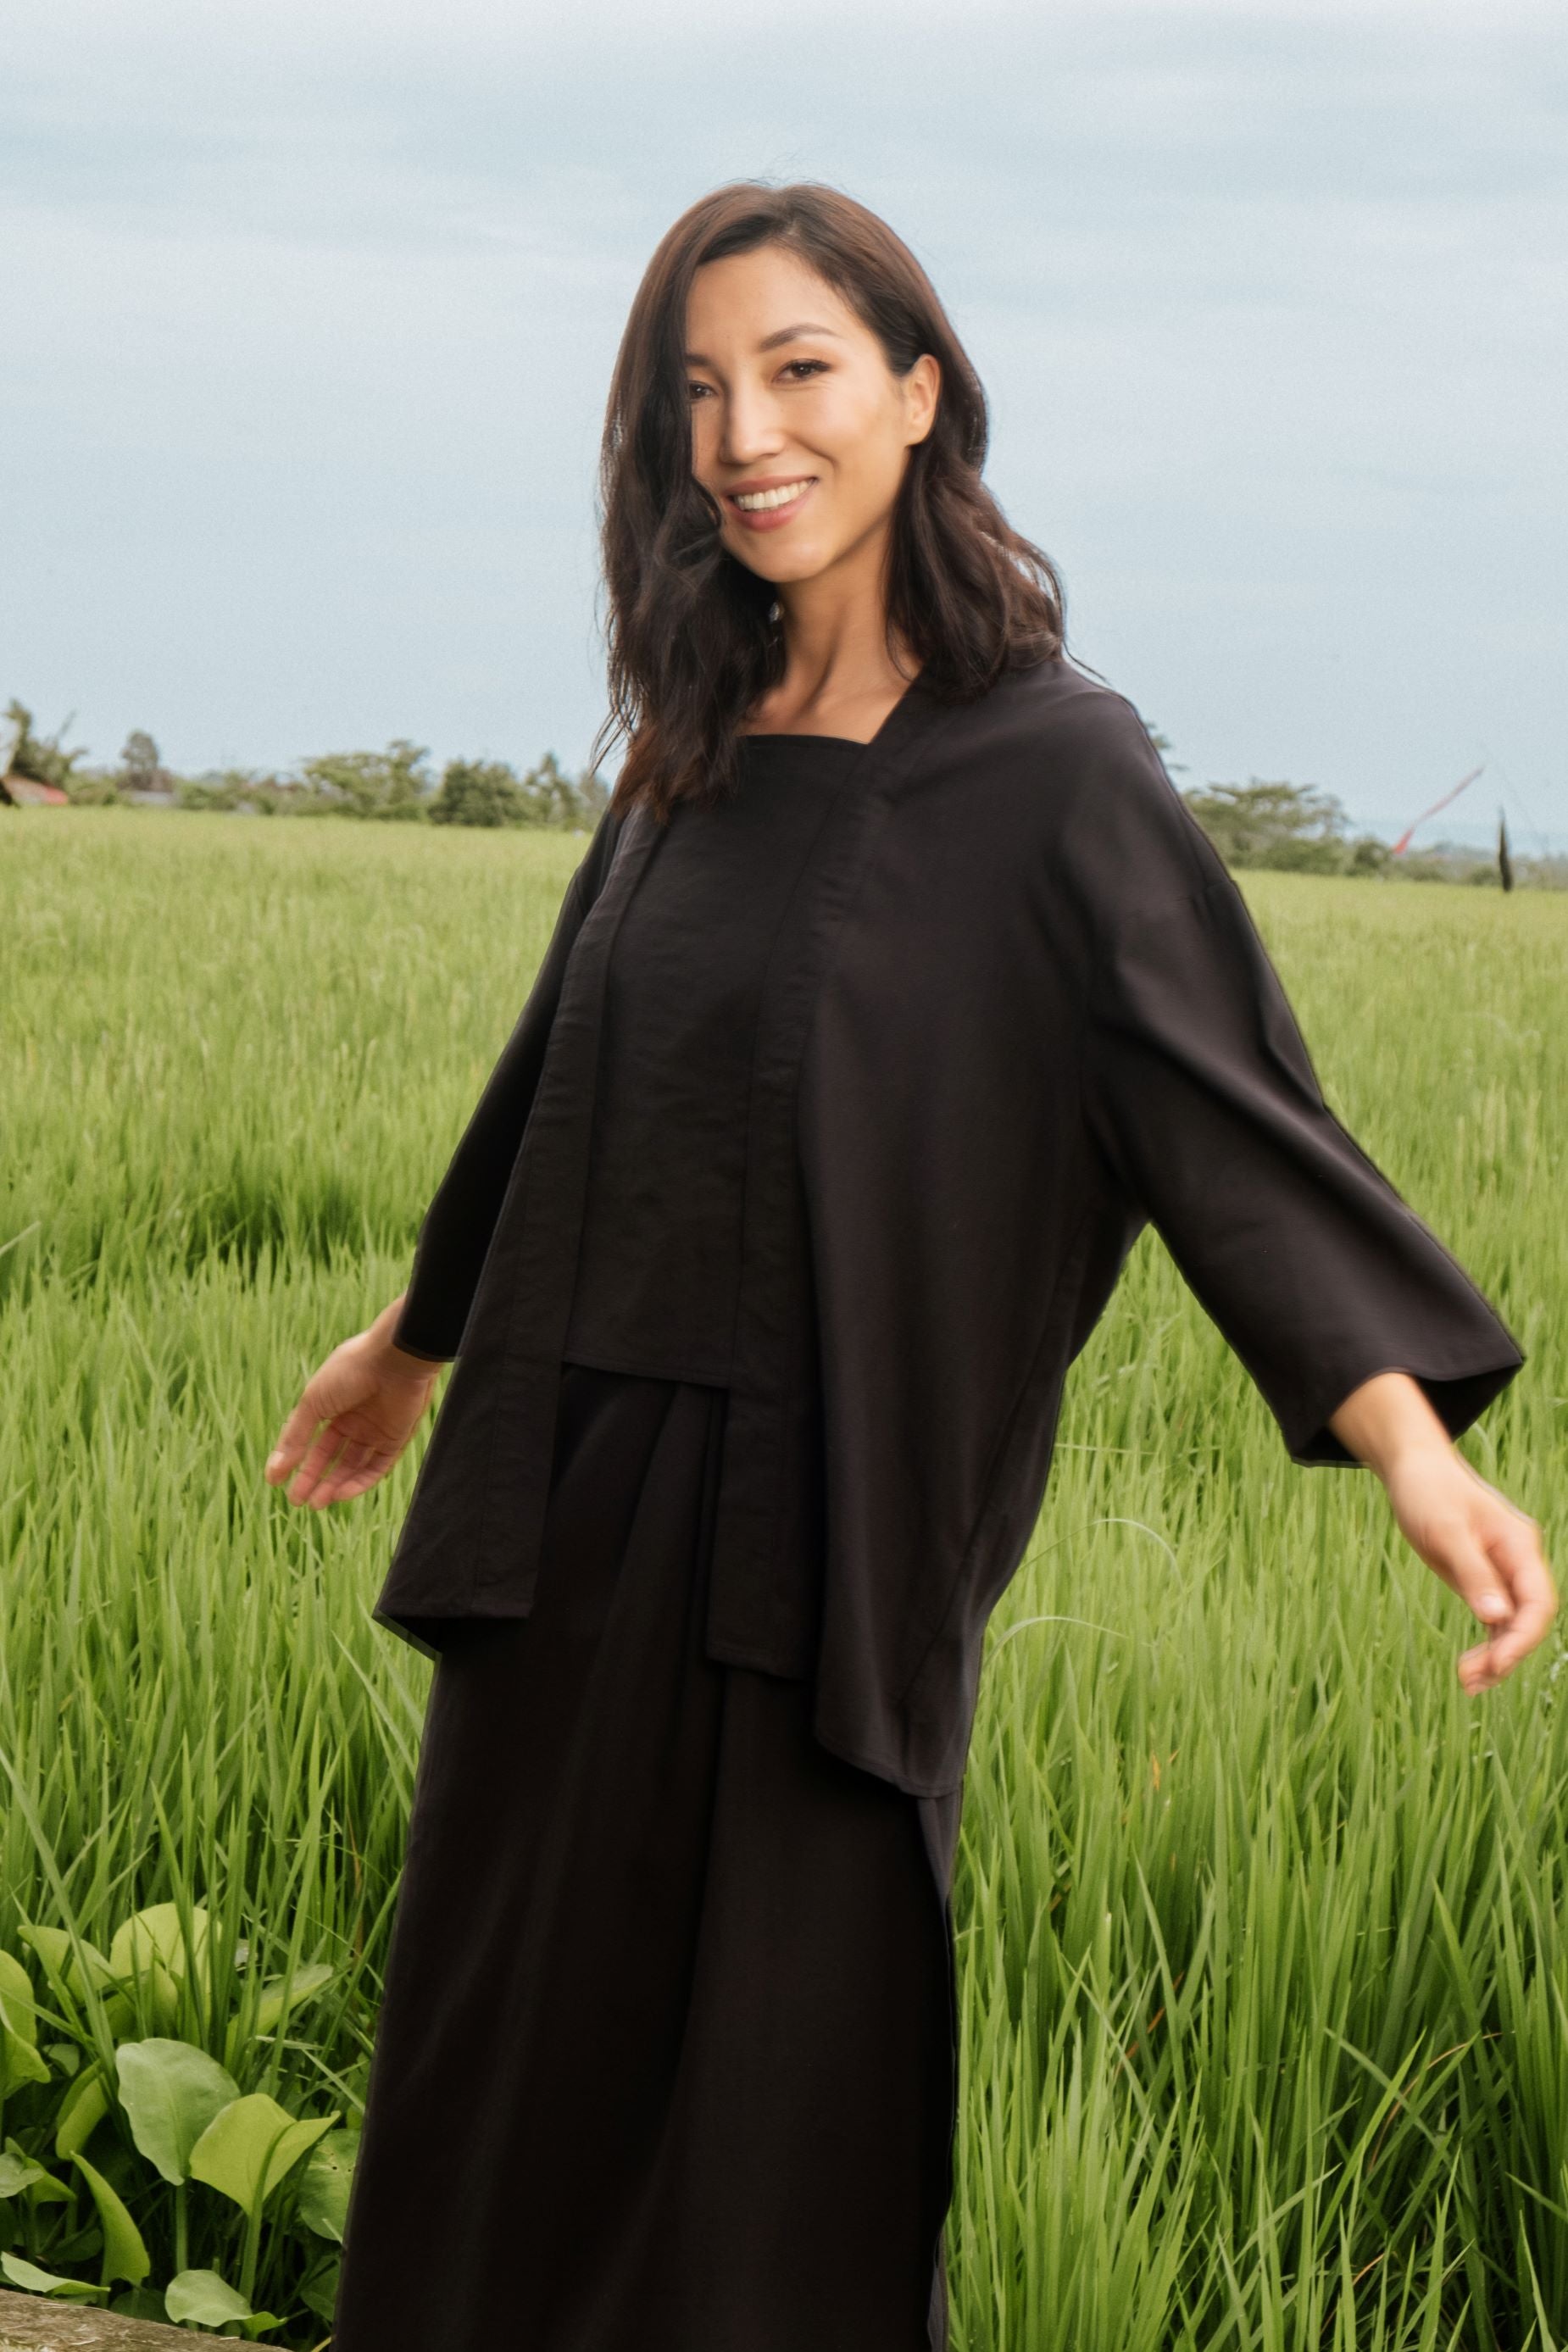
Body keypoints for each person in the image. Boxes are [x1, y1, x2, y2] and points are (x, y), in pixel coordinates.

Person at [264, 181, 1555, 2352]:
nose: (744, 433)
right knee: (509, 2087)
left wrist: (1409, 1445)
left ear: (918, 393)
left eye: (796, 371)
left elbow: (1224, 1120)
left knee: (784, 2140)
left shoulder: (1050, 771)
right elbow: (567, 1079)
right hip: (562, 1532)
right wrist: (412, 1340)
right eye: (697, 390)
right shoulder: (688, 745)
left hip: (824, 1555)